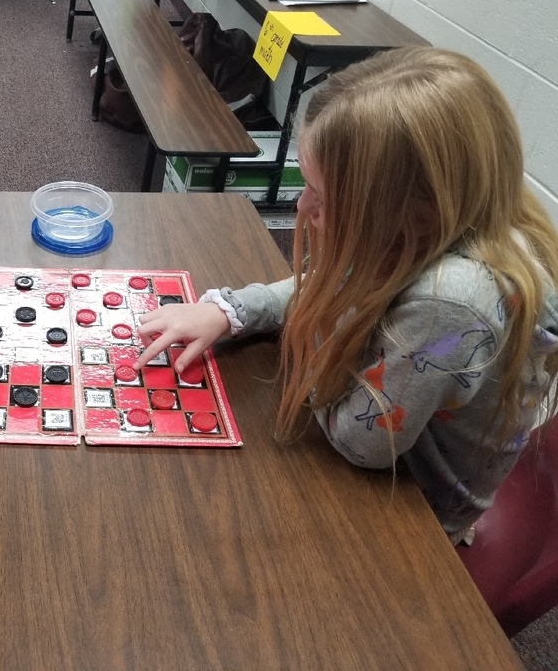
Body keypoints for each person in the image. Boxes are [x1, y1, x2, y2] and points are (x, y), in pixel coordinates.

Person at [135, 46, 558, 545]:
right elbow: (330, 284)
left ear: (409, 210)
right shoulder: (437, 221)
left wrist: (320, 319)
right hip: (388, 445)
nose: (301, 203)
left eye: (324, 194)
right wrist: (229, 310)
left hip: (412, 516)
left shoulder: (450, 302)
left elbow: (360, 443)